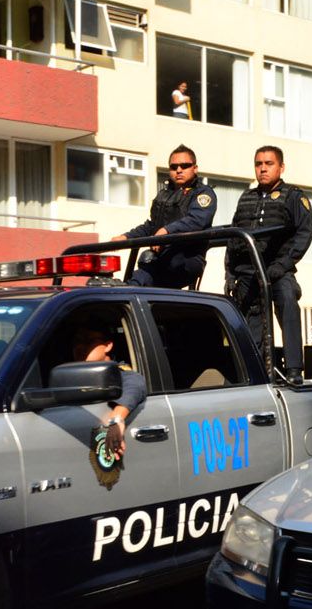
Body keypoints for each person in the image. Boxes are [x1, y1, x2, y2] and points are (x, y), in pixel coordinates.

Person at [226, 145, 312, 383]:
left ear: (281, 167)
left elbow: (304, 234)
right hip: (247, 273)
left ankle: (294, 369)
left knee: (287, 300)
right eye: (258, 164)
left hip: (277, 270)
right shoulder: (246, 197)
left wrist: (280, 266)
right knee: (243, 325)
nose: (263, 168)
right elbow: (234, 238)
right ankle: (252, 375)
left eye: (269, 163)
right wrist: (229, 274)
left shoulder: (294, 196)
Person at [110, 144, 215, 290]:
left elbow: (197, 220)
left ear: (195, 168)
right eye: (174, 167)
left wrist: (166, 230)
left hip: (186, 258)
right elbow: (152, 226)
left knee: (163, 263)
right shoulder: (164, 195)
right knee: (139, 276)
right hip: (161, 258)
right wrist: (126, 237)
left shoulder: (203, 193)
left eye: (184, 166)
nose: (178, 170)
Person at [70, 321, 146, 461]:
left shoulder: (121, 375)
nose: (81, 346)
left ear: (108, 346)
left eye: (89, 340)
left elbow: (135, 383)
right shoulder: (68, 376)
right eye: (77, 341)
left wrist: (116, 419)